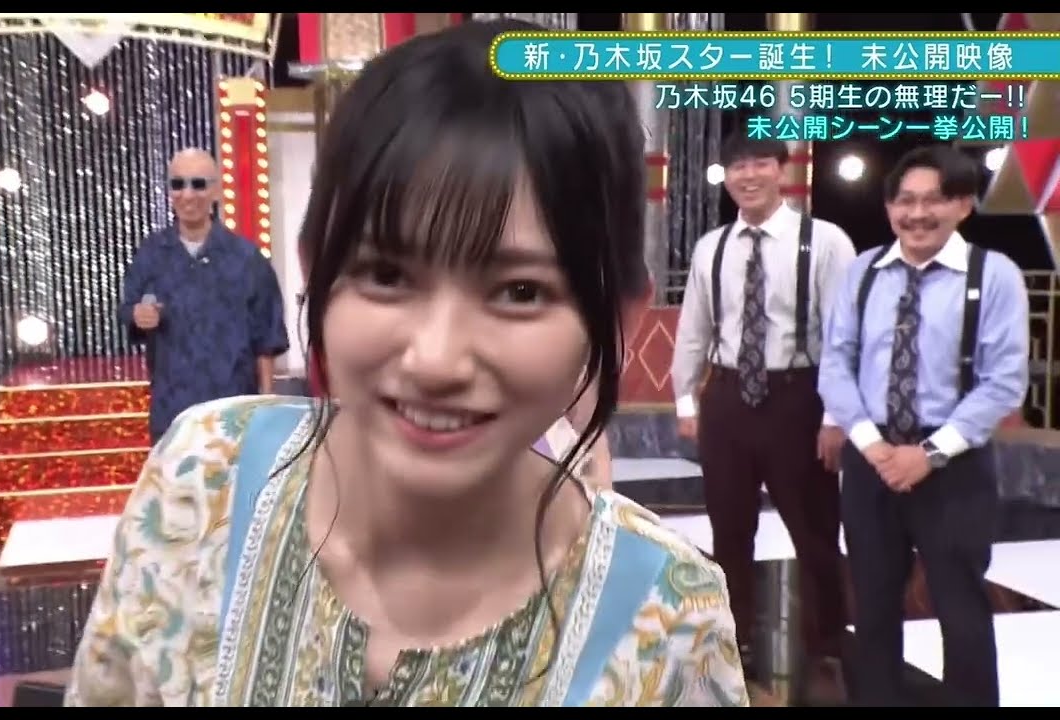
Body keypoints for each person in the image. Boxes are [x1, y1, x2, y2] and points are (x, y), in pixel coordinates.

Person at [66, 20, 747, 707]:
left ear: (618, 318)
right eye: (387, 275)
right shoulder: (202, 480)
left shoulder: (669, 620)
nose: (435, 360)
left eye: (520, 291)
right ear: (317, 273)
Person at [819, 145, 1028, 707]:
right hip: (872, 463)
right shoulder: (864, 273)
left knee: (961, 610)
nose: (917, 214)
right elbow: (835, 364)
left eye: (933, 200)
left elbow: (1004, 382)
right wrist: (874, 447)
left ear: (963, 205)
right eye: (904, 201)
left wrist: (929, 454)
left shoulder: (994, 276)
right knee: (873, 607)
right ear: (889, 208)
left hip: (954, 467)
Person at [670, 133, 856, 697]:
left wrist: (837, 416)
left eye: (759, 164)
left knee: (814, 529)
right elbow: (694, 329)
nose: (747, 176)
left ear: (782, 169)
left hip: (798, 396)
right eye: (737, 167)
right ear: (726, 177)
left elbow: (845, 334)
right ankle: (734, 638)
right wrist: (687, 400)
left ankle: (828, 644)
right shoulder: (712, 247)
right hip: (728, 398)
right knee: (729, 529)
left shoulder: (825, 241)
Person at [118, 148, 289, 442]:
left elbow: (267, 338)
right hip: (172, 414)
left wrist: (265, 405)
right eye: (178, 184)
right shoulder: (151, 254)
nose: (187, 194)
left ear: (216, 191)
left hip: (234, 416)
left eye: (198, 184)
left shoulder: (247, 259)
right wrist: (137, 314)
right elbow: (127, 308)